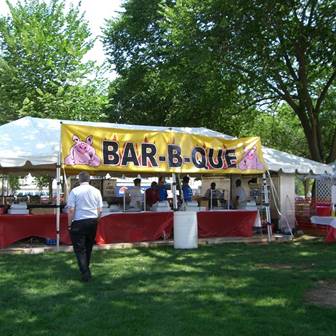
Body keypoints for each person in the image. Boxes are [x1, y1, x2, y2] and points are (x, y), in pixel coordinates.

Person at [67, 171, 103, 282]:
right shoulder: (96, 191)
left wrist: (69, 224)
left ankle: (85, 273)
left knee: (80, 249)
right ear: (89, 179)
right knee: (88, 248)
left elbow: (71, 209)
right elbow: (100, 209)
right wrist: (97, 219)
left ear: (79, 179)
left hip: (79, 221)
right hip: (92, 221)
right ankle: (85, 269)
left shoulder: (74, 191)